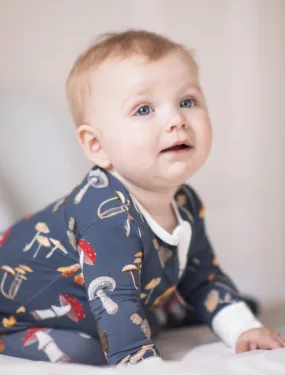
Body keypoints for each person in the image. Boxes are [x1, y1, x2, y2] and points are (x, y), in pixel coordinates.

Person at [0, 30, 284, 367]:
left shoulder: (186, 203)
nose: (177, 120)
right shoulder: (106, 215)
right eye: (144, 109)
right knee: (89, 351)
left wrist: (241, 328)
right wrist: (141, 362)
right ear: (97, 146)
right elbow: (114, 299)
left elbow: (203, 274)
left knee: (209, 303)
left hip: (115, 298)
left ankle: (174, 310)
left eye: (187, 101)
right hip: (23, 314)